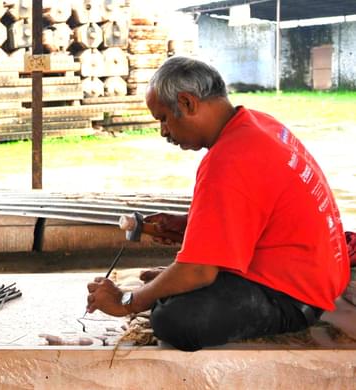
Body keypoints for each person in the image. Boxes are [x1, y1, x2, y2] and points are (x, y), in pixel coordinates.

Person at [86, 56, 351, 351]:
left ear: (187, 103)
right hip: (319, 272)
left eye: (163, 118)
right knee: (170, 285)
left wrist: (127, 301)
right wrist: (191, 224)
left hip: (297, 295)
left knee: (173, 319)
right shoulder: (258, 124)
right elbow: (256, 208)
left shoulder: (229, 158)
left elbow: (199, 271)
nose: (163, 131)